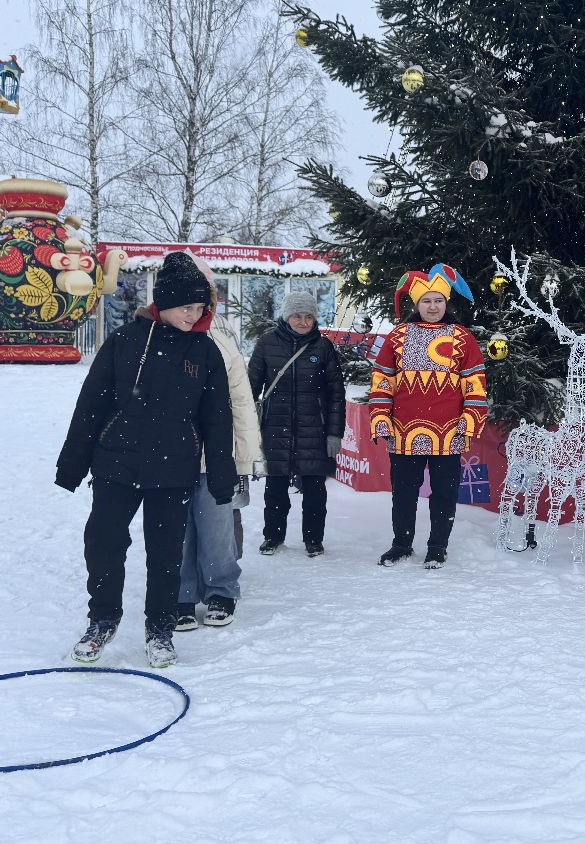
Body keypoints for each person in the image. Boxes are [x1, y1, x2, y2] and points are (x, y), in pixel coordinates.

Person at [56, 250, 236, 668]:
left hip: (174, 468)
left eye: (200, 308)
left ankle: (160, 629)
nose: (194, 315)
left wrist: (222, 475)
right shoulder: (124, 341)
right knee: (103, 544)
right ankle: (102, 619)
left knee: (165, 553)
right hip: (115, 464)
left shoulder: (205, 352)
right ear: (165, 302)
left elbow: (218, 419)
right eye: (186, 307)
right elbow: (91, 405)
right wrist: (73, 464)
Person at [368, 264, 487, 569]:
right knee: (403, 493)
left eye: (438, 301)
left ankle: (437, 547)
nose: (432, 307)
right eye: (426, 301)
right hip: (403, 432)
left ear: (446, 303)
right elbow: (383, 380)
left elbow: (474, 383)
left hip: (448, 433)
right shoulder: (397, 337)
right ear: (416, 304)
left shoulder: (463, 338)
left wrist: (469, 419)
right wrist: (380, 415)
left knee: (444, 494)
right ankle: (401, 544)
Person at [177, 257, 262, 631]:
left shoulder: (222, 343)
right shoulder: (156, 340)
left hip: (216, 456)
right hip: (172, 455)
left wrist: (245, 458)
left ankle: (221, 591)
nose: (194, 309)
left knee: (218, 527)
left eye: (202, 300)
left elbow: (242, 403)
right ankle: (181, 594)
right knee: (176, 529)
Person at [249, 287, 346, 558]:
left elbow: (336, 394)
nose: (303, 322)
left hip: (314, 430)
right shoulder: (267, 344)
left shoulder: (323, 347)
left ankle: (314, 540)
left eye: (309, 317)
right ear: (286, 316)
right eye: (297, 316)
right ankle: (273, 537)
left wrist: (334, 433)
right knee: (276, 489)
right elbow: (249, 389)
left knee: (315, 491)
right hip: (275, 429)